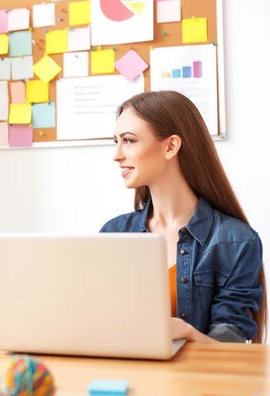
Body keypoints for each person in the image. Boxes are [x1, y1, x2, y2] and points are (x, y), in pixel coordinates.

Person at [101, 90, 266, 343]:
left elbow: (230, 347)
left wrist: (187, 333)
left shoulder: (237, 242)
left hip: (198, 382)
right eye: (116, 141)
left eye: (129, 140)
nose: (117, 154)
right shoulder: (114, 233)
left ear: (170, 146)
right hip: (125, 380)